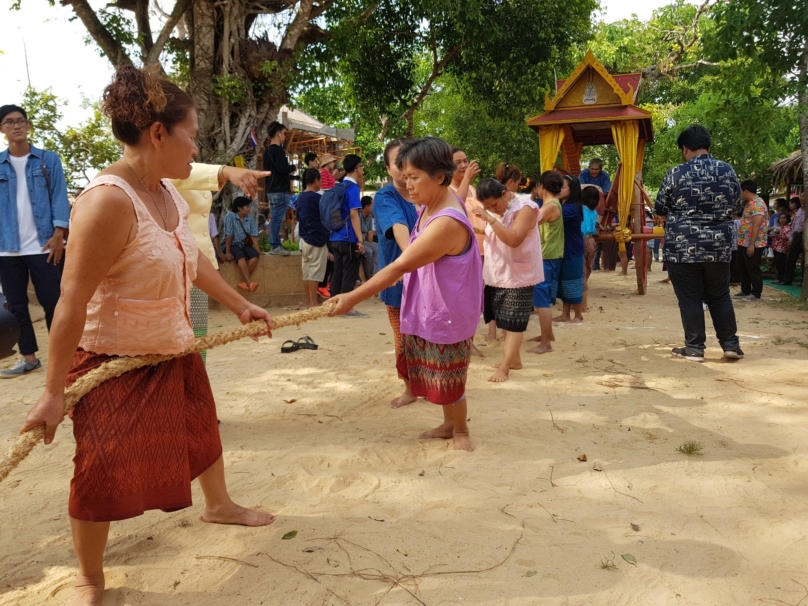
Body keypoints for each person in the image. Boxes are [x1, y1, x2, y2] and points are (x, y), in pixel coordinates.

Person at [20, 65, 275, 606]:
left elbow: (193, 262)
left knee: (200, 429)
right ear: (158, 133)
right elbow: (71, 302)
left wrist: (241, 304)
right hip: (113, 356)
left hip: (173, 345)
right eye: (193, 134)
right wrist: (51, 393)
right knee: (102, 467)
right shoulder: (107, 201)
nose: (196, 146)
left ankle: (219, 504)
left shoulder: (166, 192)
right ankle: (91, 575)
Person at [330, 137, 483, 451]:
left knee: (450, 379)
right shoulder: (433, 203)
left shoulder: (445, 222)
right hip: (433, 306)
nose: (406, 183)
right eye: (404, 175)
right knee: (437, 374)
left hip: (448, 313)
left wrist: (352, 297)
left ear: (438, 177)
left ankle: (461, 431)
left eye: (414, 177)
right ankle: (447, 424)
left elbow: (400, 266)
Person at [653, 124, 742, 362]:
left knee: (690, 297)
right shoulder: (727, 170)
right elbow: (737, 207)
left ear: (685, 148)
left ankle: (695, 348)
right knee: (720, 295)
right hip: (718, 246)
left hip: (682, 247)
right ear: (708, 146)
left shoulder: (675, 173)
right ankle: (731, 345)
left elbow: (660, 208)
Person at [0, 104, 70, 378]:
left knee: (54, 301)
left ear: (28, 126)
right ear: (2, 129)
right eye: (9, 122)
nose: (16, 126)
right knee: (16, 305)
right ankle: (29, 357)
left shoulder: (47, 160)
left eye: (20, 121)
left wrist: (58, 233)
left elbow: (59, 196)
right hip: (7, 248)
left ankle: (62, 358)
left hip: (44, 245)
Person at [472, 178, 542, 383]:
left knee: (514, 322)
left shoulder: (525, 207)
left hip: (519, 275)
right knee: (504, 318)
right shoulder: (494, 212)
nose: (493, 209)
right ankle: (514, 359)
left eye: (495, 205)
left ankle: (504, 367)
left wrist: (489, 218)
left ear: (505, 194)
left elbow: (514, 239)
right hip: (497, 273)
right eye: (488, 207)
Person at [373, 138, 420, 408]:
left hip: (430, 280)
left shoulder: (425, 193)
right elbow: (399, 227)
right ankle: (410, 387)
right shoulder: (385, 197)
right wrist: (411, 256)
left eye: (408, 161)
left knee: (428, 335)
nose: (404, 169)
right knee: (403, 338)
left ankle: (432, 384)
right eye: (397, 163)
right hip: (399, 283)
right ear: (388, 169)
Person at [449, 147, 489, 349]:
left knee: (475, 296)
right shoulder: (448, 190)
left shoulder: (473, 189)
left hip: (481, 249)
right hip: (461, 251)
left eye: (465, 160)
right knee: (461, 296)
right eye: (457, 163)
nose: (463, 165)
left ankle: (468, 338)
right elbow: (456, 206)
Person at [527, 171, 564, 355]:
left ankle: (546, 343)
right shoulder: (552, 204)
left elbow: (529, 221)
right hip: (549, 255)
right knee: (543, 298)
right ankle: (547, 335)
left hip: (546, 256)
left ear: (542, 187)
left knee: (542, 302)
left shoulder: (549, 206)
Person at [329, 154, 367, 316]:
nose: (362, 169)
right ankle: (346, 307)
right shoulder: (352, 188)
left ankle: (332, 305)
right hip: (348, 236)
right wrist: (359, 238)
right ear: (357, 168)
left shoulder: (338, 186)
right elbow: (353, 214)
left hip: (335, 236)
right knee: (350, 272)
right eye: (362, 166)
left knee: (337, 271)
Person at [296, 168, 330, 308]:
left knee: (307, 272)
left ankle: (309, 301)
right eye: (320, 180)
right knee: (315, 273)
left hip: (304, 239)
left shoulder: (300, 198)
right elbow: (326, 217)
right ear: (316, 180)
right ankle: (312, 302)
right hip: (317, 239)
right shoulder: (318, 198)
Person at [262, 121, 296, 256]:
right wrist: (293, 168)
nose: (284, 137)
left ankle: (275, 244)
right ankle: (275, 245)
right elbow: (283, 169)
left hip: (271, 189)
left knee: (275, 218)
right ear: (278, 133)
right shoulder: (278, 150)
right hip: (279, 190)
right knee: (277, 218)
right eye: (283, 133)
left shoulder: (267, 152)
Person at [555, 175, 585, 323]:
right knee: (565, 281)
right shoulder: (566, 206)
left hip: (572, 251)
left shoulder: (570, 208)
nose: (559, 189)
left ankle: (578, 315)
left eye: (563, 187)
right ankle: (565, 314)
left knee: (572, 281)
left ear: (571, 189)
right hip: (566, 249)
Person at [735, 179, 767, 301]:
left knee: (752, 268)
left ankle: (756, 293)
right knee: (741, 266)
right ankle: (745, 290)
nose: (740, 194)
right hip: (743, 241)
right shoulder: (749, 203)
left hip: (754, 243)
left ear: (746, 190)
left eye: (740, 191)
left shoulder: (758, 204)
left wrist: (751, 244)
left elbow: (757, 225)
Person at [220, 196, 261, 292]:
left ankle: (244, 282)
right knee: (240, 257)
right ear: (239, 208)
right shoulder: (230, 216)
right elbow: (228, 235)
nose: (249, 209)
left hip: (244, 244)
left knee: (255, 256)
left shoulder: (249, 218)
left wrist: (258, 250)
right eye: (246, 206)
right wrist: (227, 252)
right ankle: (249, 283)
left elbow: (253, 235)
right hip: (232, 244)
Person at [581, 186, 599, 312]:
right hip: (591, 241)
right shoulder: (594, 212)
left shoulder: (580, 209)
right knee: (587, 268)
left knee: (580, 272)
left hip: (580, 240)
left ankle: (582, 304)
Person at [783, 196, 804, 286]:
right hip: (797, 235)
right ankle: (788, 279)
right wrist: (791, 238)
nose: (802, 197)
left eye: (804, 195)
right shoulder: (799, 211)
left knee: (805, 259)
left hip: (804, 234)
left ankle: (804, 281)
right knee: (791, 258)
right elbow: (794, 226)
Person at [360, 195, 378, 279]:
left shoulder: (369, 216)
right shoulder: (357, 215)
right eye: (372, 205)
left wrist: (370, 244)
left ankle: (375, 273)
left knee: (378, 247)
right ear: (367, 206)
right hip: (357, 240)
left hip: (364, 240)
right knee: (369, 251)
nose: (374, 207)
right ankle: (369, 275)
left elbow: (370, 233)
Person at [772, 213, 792, 285]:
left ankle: (781, 278)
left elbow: (787, 237)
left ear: (787, 219)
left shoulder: (787, 228)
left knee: (781, 264)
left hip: (782, 248)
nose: (782, 220)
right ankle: (779, 278)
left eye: (784, 218)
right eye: (780, 218)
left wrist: (778, 236)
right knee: (777, 263)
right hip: (776, 247)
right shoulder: (779, 227)